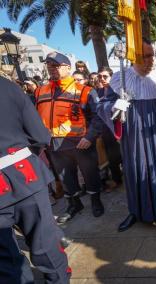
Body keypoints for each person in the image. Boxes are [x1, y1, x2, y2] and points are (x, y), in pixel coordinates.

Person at [97, 38, 156, 231]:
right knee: (135, 174)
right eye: (145, 56)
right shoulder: (120, 80)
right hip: (132, 139)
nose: (150, 60)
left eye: (152, 55)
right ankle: (136, 212)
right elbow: (102, 107)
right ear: (133, 57)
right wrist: (114, 107)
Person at [0, 76, 70, 283]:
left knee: (6, 263)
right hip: (24, 175)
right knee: (46, 246)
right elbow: (40, 136)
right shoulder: (8, 87)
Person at [35, 51, 104, 224]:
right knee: (65, 177)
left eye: (56, 65)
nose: (52, 68)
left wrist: (89, 137)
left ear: (67, 67)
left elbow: (98, 117)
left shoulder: (85, 90)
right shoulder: (40, 91)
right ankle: (74, 204)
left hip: (80, 142)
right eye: (49, 65)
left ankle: (96, 201)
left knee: (90, 173)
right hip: (54, 143)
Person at [96, 66, 123, 191]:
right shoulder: (99, 92)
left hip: (118, 130)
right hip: (105, 131)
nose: (102, 79)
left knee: (120, 156)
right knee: (111, 158)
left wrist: (106, 106)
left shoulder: (118, 90)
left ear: (112, 77)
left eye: (105, 76)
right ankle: (117, 179)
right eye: (100, 76)